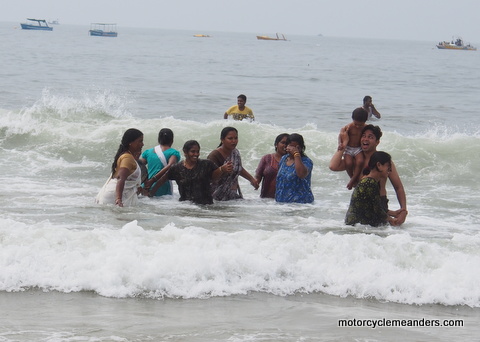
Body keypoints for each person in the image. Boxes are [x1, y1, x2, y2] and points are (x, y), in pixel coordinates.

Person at [329, 124, 407, 225]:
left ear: (377, 142)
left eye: (370, 137)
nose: (365, 139)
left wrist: (404, 210)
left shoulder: (384, 162)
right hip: (362, 207)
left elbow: (398, 187)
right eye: (363, 136)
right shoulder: (356, 161)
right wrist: (344, 144)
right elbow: (333, 166)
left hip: (380, 205)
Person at [148, 140, 232, 205]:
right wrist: (150, 196)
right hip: (186, 207)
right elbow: (162, 181)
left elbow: (214, 177)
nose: (196, 154)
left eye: (197, 151)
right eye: (193, 151)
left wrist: (222, 169)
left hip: (206, 207)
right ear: (185, 152)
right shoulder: (177, 168)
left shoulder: (206, 164)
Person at [345, 151, 406, 226]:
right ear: (379, 165)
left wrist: (394, 213)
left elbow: (373, 206)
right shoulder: (370, 183)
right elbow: (377, 210)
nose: (390, 170)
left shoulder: (368, 180)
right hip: (356, 224)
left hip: (355, 223)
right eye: (388, 167)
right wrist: (391, 220)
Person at [96, 128, 144, 207]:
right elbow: (121, 178)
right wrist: (118, 199)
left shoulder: (128, 157)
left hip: (114, 195)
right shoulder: (127, 158)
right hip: (115, 198)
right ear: (130, 143)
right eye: (140, 141)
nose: (142, 144)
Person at [208, 127, 259, 200]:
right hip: (216, 197)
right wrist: (222, 169)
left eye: (236, 138)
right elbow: (209, 177)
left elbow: (239, 168)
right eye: (230, 138)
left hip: (232, 195)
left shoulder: (235, 152)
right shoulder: (214, 155)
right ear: (222, 140)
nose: (234, 141)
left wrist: (251, 179)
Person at [139, 128, 181, 197]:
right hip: (162, 188)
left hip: (146, 186)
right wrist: (153, 180)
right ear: (172, 140)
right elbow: (170, 166)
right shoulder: (173, 153)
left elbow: (139, 165)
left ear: (159, 139)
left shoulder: (148, 152)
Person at [275, 133, 314, 203]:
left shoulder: (306, 161)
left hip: (300, 205)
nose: (292, 149)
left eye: (295, 147)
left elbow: (301, 174)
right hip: (281, 203)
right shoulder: (284, 159)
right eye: (290, 145)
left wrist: (296, 154)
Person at [338, 107, 368, 190]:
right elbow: (341, 135)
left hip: (358, 148)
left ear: (365, 121)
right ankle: (352, 178)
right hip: (349, 148)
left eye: (360, 125)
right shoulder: (348, 127)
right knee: (348, 163)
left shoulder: (366, 127)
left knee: (360, 161)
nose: (358, 126)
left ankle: (354, 179)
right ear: (352, 119)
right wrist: (340, 144)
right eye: (356, 124)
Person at [255, 133, 289, 198]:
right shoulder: (267, 158)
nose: (285, 145)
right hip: (267, 203)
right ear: (276, 144)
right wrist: (255, 183)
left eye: (288, 144)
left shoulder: (293, 161)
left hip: (286, 204)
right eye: (283, 143)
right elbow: (258, 176)